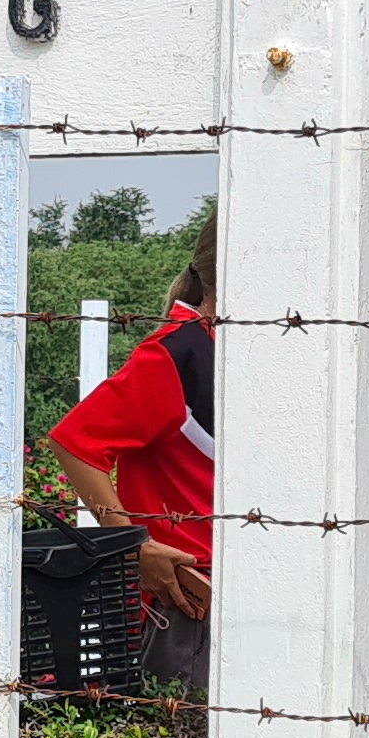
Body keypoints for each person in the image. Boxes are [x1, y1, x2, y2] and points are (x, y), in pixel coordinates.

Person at [51, 219, 216, 693]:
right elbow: (75, 442)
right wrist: (132, 546)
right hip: (185, 605)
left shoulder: (236, 352)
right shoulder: (177, 354)